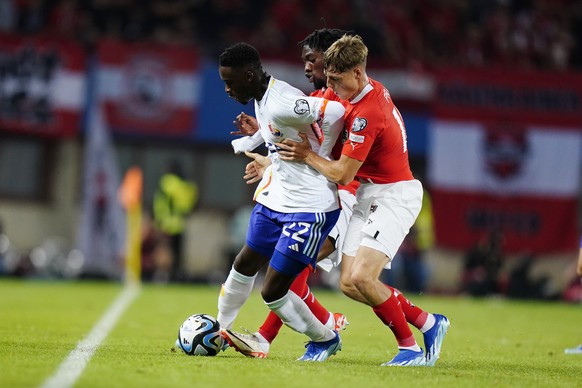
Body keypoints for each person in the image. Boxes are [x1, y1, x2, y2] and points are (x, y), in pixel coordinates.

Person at [276, 34, 450, 367]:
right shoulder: (347, 90)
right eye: (328, 79)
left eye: (337, 81)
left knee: (362, 278)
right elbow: (309, 109)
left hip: (394, 195)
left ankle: (410, 350)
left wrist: (306, 155)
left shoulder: (369, 112)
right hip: (369, 193)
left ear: (358, 73)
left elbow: (342, 173)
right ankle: (429, 322)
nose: (331, 87)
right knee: (348, 284)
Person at [223, 28, 353, 359]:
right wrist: (261, 143)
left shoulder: (290, 102)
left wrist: (316, 149)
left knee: (278, 286)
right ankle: (220, 328)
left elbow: (334, 115)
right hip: (278, 198)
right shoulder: (265, 98)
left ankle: (323, 335)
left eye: (311, 59)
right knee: (246, 262)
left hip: (315, 204)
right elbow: (282, 130)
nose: (227, 90)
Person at [153, 161, 198, 281]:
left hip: (165, 222)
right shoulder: (179, 184)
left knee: (165, 249)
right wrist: (190, 190)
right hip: (176, 223)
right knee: (174, 252)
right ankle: (171, 275)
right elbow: (185, 205)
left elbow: (158, 203)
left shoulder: (165, 181)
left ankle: (162, 274)